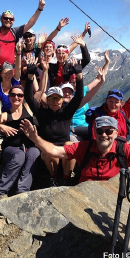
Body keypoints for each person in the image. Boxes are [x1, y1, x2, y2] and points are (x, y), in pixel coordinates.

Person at [20, 115, 130, 183]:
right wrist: (35, 138)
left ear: (116, 133)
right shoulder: (84, 147)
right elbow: (54, 152)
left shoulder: (125, 150)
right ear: (94, 132)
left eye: (109, 131)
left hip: (112, 200)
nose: (104, 135)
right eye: (100, 131)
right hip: (83, 199)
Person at [24, 55, 84, 186]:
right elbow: (29, 97)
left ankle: (66, 178)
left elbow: (79, 96)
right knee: (48, 150)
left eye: (57, 98)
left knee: (70, 145)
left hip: (64, 151)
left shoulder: (67, 112)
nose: (55, 101)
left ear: (62, 100)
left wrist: (79, 76)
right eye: (51, 98)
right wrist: (30, 75)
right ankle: (54, 178)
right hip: (48, 152)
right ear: (47, 100)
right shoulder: (41, 113)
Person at [0, 85, 39, 199]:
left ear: (23, 97)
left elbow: (40, 92)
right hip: (11, 148)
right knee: (19, 155)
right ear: (9, 97)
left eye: (20, 95)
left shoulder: (28, 109)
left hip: (29, 146)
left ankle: (22, 190)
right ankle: (1, 190)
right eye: (13, 95)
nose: (16, 97)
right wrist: (1, 126)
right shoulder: (6, 115)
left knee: (34, 153)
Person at [85, 58, 130, 139]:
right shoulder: (98, 116)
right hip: (103, 149)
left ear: (121, 103)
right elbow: (95, 139)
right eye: (110, 101)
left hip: (120, 148)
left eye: (116, 102)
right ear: (106, 101)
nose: (113, 105)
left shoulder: (123, 113)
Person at [0, 0, 46, 69]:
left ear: (13, 21)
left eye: (11, 19)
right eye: (5, 18)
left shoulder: (15, 32)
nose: (8, 20)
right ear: (1, 19)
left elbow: (30, 23)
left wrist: (40, 9)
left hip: (9, 72)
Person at [0, 43, 22, 115]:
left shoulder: (15, 82)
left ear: (13, 74)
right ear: (1, 74)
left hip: (19, 112)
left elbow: (18, 69)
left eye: (9, 73)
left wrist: (18, 53)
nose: (7, 75)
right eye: (5, 73)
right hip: (7, 114)